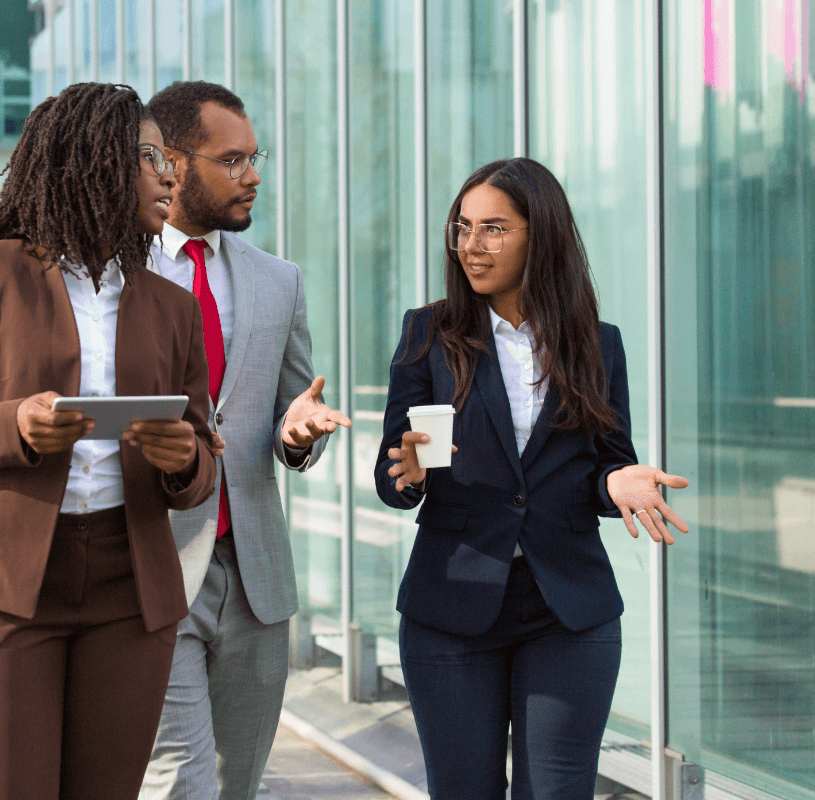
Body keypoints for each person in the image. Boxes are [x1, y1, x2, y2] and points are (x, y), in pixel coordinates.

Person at [0, 82, 218, 800]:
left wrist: (183, 459)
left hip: (129, 590)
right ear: (94, 159)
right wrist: (13, 424)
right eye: (151, 158)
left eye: (171, 162)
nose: (170, 176)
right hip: (5, 585)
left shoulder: (171, 304)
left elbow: (201, 462)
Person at [374, 157, 689, 800]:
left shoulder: (598, 344)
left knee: (557, 792)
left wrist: (618, 484)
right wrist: (405, 474)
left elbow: (605, 464)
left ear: (539, 235)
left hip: (567, 610)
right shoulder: (428, 332)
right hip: (452, 604)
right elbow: (394, 472)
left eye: (494, 228)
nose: (471, 245)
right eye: (462, 227)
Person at [140, 81, 351, 800]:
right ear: (172, 160)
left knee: (237, 786)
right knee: (180, 783)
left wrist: (298, 434)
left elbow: (297, 406)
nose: (253, 175)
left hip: (255, 576)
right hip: (153, 566)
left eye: (254, 157)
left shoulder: (277, 281)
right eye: (233, 159)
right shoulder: (111, 270)